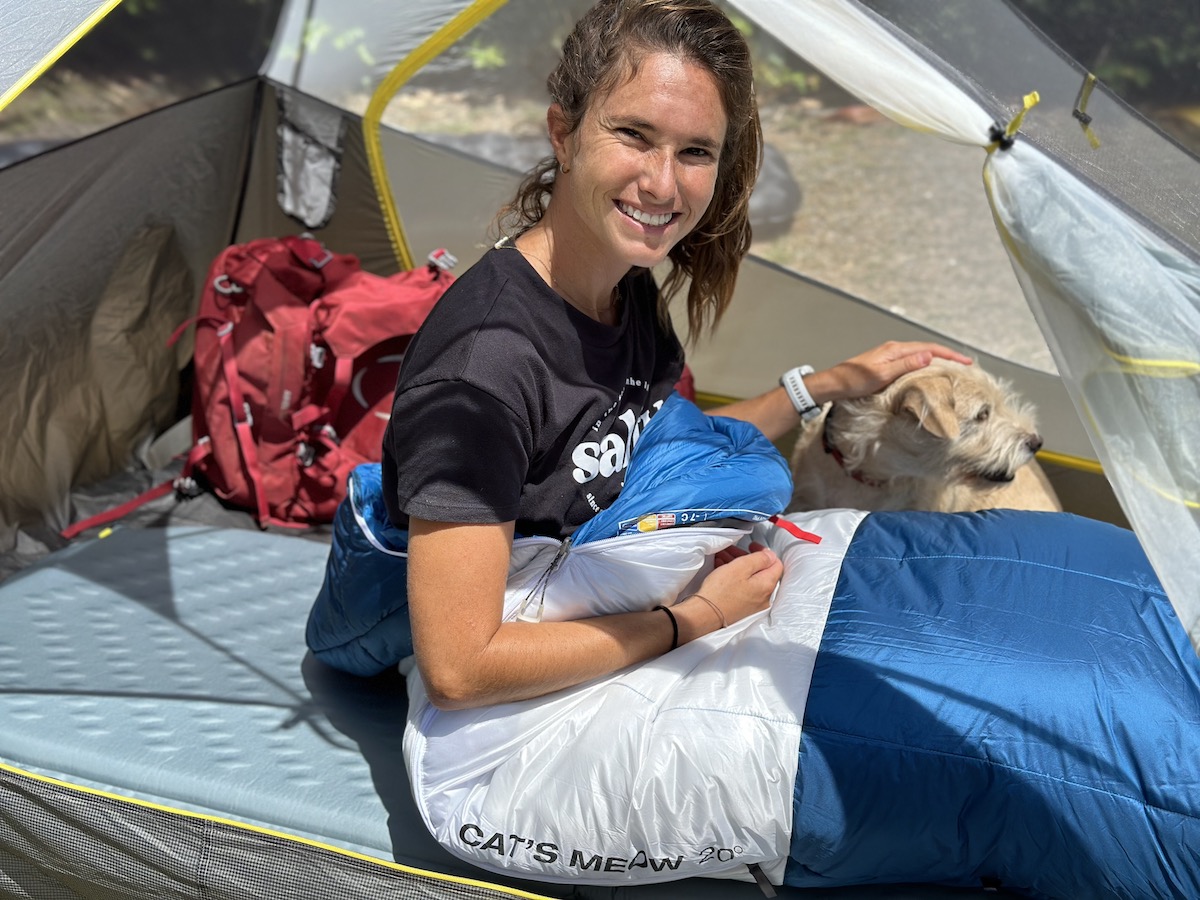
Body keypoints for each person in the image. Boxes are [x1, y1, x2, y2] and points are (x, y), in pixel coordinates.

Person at [381, 0, 970, 711]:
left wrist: (833, 383)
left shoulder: (626, 294)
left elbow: (671, 448)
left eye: (695, 152)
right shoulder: (485, 368)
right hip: (521, 690)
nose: (663, 185)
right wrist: (697, 619)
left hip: (621, 615)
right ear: (562, 133)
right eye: (634, 135)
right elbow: (460, 668)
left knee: (928, 612)